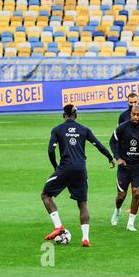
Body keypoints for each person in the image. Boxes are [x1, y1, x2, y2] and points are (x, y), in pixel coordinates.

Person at [41, 104, 115, 247]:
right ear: (76, 115)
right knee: (82, 203)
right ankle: (85, 238)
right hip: (81, 169)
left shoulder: (57, 130)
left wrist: (54, 165)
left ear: (64, 115)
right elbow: (98, 144)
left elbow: (51, 150)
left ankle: (58, 227)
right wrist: (110, 157)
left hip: (65, 168)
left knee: (45, 195)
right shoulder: (84, 129)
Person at [109, 106, 139, 231]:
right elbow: (112, 142)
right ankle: (117, 210)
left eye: (138, 115)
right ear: (130, 114)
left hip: (137, 167)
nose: (136, 117)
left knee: (136, 194)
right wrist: (118, 158)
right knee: (121, 196)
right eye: (134, 114)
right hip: (124, 167)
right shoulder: (122, 127)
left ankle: (131, 223)